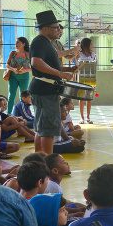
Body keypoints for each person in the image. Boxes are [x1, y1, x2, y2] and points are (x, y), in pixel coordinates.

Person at [30, 10, 73, 154]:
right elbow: (36, 62)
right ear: (46, 28)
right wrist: (60, 73)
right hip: (45, 90)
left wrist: (67, 69)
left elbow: (48, 64)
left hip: (45, 89)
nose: (58, 30)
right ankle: (47, 161)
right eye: (56, 27)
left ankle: (39, 157)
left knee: (41, 128)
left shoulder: (47, 43)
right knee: (47, 130)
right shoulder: (40, 42)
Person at [5, 37, 32, 113]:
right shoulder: (13, 53)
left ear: (24, 44)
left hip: (24, 78)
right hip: (13, 77)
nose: (16, 44)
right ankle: (8, 114)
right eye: (16, 42)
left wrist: (25, 70)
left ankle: (22, 114)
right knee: (11, 95)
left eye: (18, 42)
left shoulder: (28, 54)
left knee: (23, 96)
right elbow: (7, 65)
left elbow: (33, 68)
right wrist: (13, 69)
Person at [75, 37, 97, 124]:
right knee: (81, 99)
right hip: (81, 79)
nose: (92, 45)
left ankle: (88, 117)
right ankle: (82, 117)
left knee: (89, 98)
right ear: (87, 45)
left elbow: (95, 67)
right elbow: (77, 65)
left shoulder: (94, 55)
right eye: (91, 44)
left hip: (91, 79)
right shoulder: (79, 54)